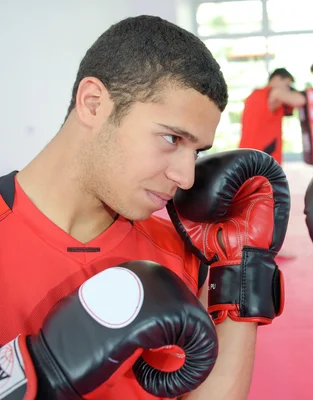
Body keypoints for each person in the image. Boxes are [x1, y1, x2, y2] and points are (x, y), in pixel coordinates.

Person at [0, 15, 288, 400]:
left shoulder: (183, 253)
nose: (186, 176)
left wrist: (240, 268)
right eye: (171, 138)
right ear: (93, 103)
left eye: (198, 151)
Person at [239, 68, 306, 164]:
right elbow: (300, 100)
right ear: (277, 79)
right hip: (263, 158)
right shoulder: (274, 93)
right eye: (287, 85)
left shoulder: (255, 95)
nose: (287, 89)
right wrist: (298, 92)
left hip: (246, 154)